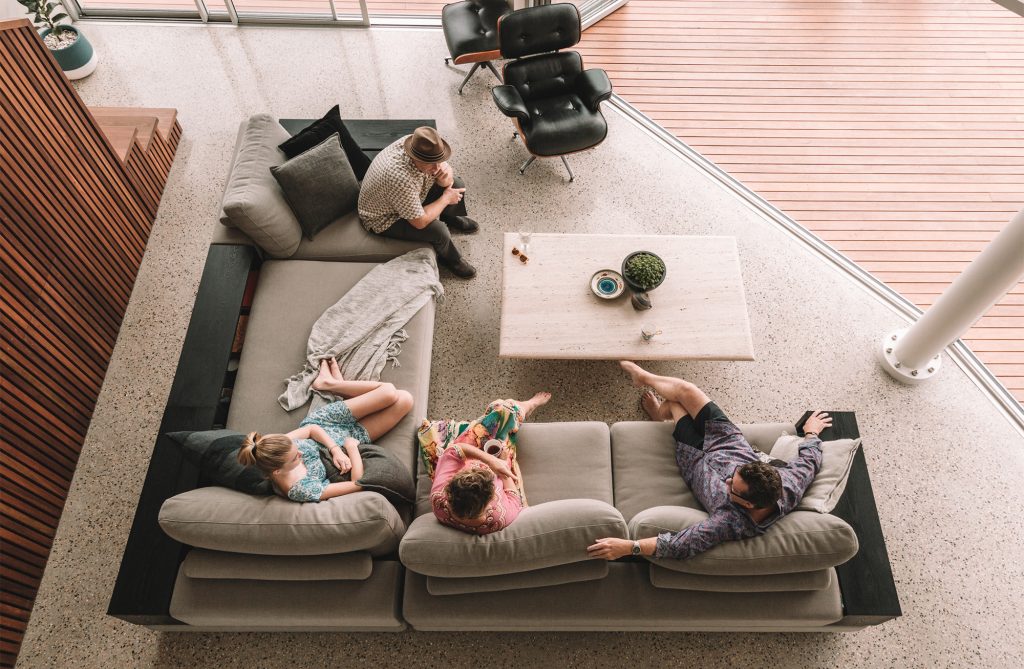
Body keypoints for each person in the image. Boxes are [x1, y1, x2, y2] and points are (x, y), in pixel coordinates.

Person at [587, 361, 832, 561]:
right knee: (687, 391)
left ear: (748, 505)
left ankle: (658, 416)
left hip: (695, 457)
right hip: (729, 440)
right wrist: (811, 432)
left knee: (673, 404)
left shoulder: (732, 522)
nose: (727, 481)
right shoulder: (789, 483)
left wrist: (631, 547)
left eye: (731, 488)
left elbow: (680, 545)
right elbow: (810, 460)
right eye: (735, 475)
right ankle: (643, 377)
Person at [238, 359, 413, 502]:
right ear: (277, 471)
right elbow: (357, 484)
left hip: (326, 423)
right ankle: (343, 388)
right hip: (350, 440)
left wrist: (335, 450)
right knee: (405, 399)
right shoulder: (302, 489)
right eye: (295, 457)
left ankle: (328, 383)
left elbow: (312, 429)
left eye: (295, 448)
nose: (299, 451)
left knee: (389, 392)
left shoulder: (275, 446)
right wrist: (350, 448)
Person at [357, 126, 479, 279]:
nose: (436, 167)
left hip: (408, 196)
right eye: (430, 163)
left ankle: (450, 216)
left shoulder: (421, 145)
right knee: (439, 231)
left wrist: (444, 179)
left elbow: (447, 178)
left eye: (439, 160)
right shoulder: (400, 178)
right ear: (413, 157)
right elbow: (419, 222)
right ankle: (451, 260)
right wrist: (445, 198)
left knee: (457, 185)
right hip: (385, 217)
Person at [429, 391, 551, 535]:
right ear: (490, 500)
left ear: (449, 491)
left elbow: (456, 449)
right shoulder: (501, 517)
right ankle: (528, 406)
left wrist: (490, 460)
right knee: (504, 410)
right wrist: (502, 463)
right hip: (503, 468)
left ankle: (519, 409)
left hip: (476, 456)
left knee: (499, 412)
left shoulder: (438, 499)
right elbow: (513, 495)